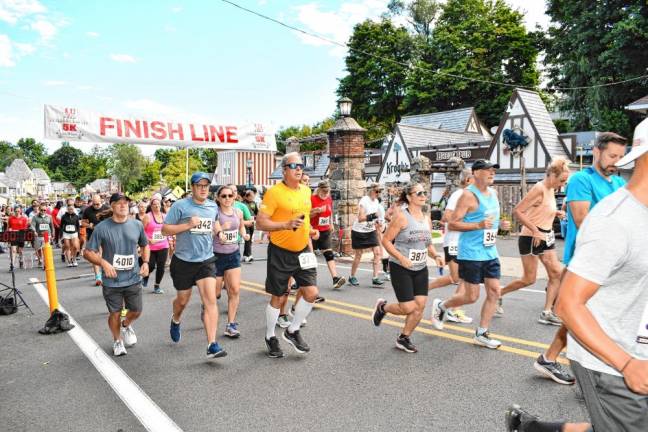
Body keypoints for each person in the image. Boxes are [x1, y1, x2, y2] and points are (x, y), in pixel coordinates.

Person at [505, 119, 648, 432]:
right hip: (614, 356)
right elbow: (569, 304)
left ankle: (537, 429)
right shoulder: (607, 210)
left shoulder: (619, 191)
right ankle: (545, 353)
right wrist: (626, 363)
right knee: (544, 284)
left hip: (617, 289)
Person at [532, 132, 628, 386]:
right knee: (582, 315)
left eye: (620, 157)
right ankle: (557, 359)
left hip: (614, 260)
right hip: (586, 259)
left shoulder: (618, 184)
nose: (616, 161)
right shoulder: (581, 180)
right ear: (596, 152)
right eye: (611, 156)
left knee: (595, 316)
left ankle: (554, 358)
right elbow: (582, 221)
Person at [430, 159, 503, 349]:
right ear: (476, 173)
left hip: (490, 251)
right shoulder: (468, 196)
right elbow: (453, 223)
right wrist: (478, 225)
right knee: (471, 297)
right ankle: (442, 306)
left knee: (495, 291)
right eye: (488, 170)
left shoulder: (494, 194)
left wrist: (501, 226)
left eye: (493, 170)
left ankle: (482, 333)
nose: (492, 173)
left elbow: (491, 221)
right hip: (471, 253)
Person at [255, 152, 319, 358]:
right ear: (284, 170)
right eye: (294, 166)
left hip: (302, 251)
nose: (299, 169)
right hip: (280, 252)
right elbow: (260, 222)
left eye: (301, 165)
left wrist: (309, 231)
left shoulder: (306, 191)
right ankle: (270, 336)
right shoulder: (274, 193)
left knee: (311, 293)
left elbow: (304, 216)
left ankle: (293, 330)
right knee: (279, 296)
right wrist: (285, 225)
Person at [372, 182, 444, 353]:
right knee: (407, 308)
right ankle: (383, 308)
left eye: (424, 192)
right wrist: (401, 258)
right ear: (410, 197)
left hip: (420, 268)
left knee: (419, 306)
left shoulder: (426, 218)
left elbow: (428, 244)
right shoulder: (401, 217)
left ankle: (404, 337)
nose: (422, 195)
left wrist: (436, 256)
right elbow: (386, 241)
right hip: (401, 267)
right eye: (418, 193)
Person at [162, 172, 227, 359]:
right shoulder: (180, 206)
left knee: (210, 301)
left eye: (206, 185)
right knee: (182, 301)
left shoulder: (212, 205)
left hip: (205, 260)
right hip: (183, 261)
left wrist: (220, 232)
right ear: (192, 187)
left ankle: (212, 344)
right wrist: (188, 225)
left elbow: (214, 222)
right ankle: (175, 319)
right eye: (199, 185)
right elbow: (165, 229)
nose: (203, 188)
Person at [499, 158, 570, 326]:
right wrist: (536, 231)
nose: (562, 185)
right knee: (529, 279)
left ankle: (546, 312)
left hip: (546, 236)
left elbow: (540, 210)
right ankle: (498, 293)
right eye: (561, 180)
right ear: (552, 175)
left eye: (565, 182)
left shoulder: (551, 188)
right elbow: (518, 211)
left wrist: (556, 213)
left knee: (556, 273)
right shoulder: (539, 188)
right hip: (531, 237)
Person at [83, 193, 150, 357]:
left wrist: (146, 262)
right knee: (114, 312)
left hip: (133, 277)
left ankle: (126, 324)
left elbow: (145, 245)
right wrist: (103, 263)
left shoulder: (136, 225)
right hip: (112, 280)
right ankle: (117, 340)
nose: (123, 205)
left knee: (136, 310)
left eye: (125, 203)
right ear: (111, 206)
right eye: (119, 203)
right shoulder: (102, 228)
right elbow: (87, 252)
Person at [427, 169, 475, 324]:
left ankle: (454, 309)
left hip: (463, 242)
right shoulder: (459, 195)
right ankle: (448, 307)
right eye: (476, 178)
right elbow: (446, 217)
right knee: (458, 277)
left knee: (461, 278)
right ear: (468, 180)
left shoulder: (471, 196)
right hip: (454, 241)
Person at [212, 185, 249, 338]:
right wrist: (221, 230)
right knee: (215, 293)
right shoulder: (215, 213)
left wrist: (244, 235)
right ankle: (206, 305)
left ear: (234, 197)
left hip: (233, 254)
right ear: (218, 198)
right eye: (224, 196)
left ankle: (230, 324)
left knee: (234, 290)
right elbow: (213, 229)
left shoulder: (238, 212)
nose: (227, 198)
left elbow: (241, 227)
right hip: (216, 256)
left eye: (230, 195)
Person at [310, 180, 346, 290]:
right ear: (319, 189)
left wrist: (330, 223)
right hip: (313, 231)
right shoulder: (312, 199)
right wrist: (316, 211)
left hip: (325, 231)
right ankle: (299, 282)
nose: (326, 194)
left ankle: (335, 278)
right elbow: (307, 215)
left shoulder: (329, 199)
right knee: (308, 257)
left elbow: (330, 213)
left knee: (329, 254)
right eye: (324, 191)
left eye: (327, 191)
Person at [348, 184, 385, 287]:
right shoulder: (364, 200)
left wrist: (378, 222)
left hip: (371, 231)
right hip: (359, 231)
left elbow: (376, 217)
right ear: (371, 191)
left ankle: (375, 278)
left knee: (377, 253)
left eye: (380, 192)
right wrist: (373, 216)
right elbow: (360, 218)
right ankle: (352, 276)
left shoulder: (376, 202)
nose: (378, 194)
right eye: (377, 191)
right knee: (358, 255)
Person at [141, 197, 169, 294]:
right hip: (151, 247)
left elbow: (167, 229)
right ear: (151, 206)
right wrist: (148, 240)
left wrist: (170, 238)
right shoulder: (147, 217)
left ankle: (157, 286)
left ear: (161, 205)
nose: (157, 206)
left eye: (158, 204)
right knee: (151, 266)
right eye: (154, 204)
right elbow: (141, 231)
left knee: (161, 267)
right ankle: (146, 276)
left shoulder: (165, 216)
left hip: (163, 245)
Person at [82, 194, 110, 286]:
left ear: (101, 201)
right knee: (95, 255)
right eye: (94, 204)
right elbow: (82, 222)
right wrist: (88, 225)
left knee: (104, 255)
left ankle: (105, 273)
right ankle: (98, 277)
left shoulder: (107, 208)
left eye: (97, 204)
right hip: (93, 235)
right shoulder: (87, 210)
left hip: (106, 235)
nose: (96, 206)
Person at [30, 203, 54, 269]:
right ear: (39, 209)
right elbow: (32, 225)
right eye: (41, 210)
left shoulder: (49, 217)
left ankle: (45, 263)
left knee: (45, 249)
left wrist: (52, 234)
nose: (43, 211)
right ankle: (40, 259)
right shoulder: (35, 217)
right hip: (38, 235)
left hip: (47, 235)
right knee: (38, 249)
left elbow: (52, 226)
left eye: (44, 210)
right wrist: (34, 231)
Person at [60, 202, 80, 266]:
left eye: (72, 209)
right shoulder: (64, 216)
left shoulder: (76, 216)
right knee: (67, 247)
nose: (70, 210)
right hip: (66, 233)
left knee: (75, 247)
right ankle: (69, 261)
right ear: (67, 209)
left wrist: (78, 234)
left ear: (73, 209)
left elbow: (78, 226)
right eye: (69, 209)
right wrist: (61, 235)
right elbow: (61, 226)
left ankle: (74, 259)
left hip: (74, 233)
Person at [242, 189, 258, 262]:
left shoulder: (254, 203)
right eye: (251, 196)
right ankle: (249, 255)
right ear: (246, 197)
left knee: (250, 239)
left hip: (252, 223)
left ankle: (246, 254)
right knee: (247, 239)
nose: (252, 198)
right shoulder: (242, 204)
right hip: (245, 223)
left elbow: (257, 212)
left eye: (253, 196)